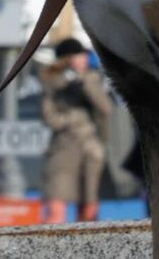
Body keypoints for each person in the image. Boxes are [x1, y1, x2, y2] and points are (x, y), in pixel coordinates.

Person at [39, 37, 114, 221]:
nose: (83, 60)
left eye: (83, 56)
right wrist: (73, 118)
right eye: (78, 56)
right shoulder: (52, 82)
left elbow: (106, 108)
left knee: (89, 207)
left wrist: (85, 83)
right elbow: (49, 117)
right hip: (63, 149)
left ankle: (86, 248)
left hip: (90, 148)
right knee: (55, 206)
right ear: (66, 59)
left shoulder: (92, 78)